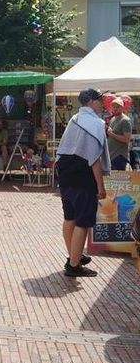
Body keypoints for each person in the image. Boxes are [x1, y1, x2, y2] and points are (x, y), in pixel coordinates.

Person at [57, 88, 109, 277]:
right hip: (82, 174)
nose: (102, 103)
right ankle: (73, 265)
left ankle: (74, 255)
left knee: (70, 216)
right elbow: (94, 158)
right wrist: (101, 187)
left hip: (65, 171)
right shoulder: (95, 123)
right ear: (91, 102)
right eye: (100, 99)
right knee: (83, 221)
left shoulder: (74, 119)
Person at [107, 97, 132, 171]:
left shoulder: (125, 120)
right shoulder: (113, 119)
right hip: (111, 156)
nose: (115, 108)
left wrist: (111, 134)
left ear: (122, 108)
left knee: (119, 181)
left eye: (118, 107)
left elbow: (126, 139)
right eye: (114, 107)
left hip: (120, 157)